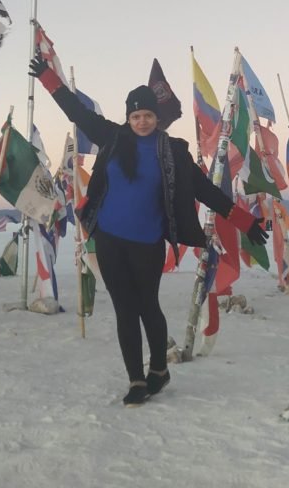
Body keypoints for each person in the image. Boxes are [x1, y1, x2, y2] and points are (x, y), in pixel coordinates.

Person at [30, 55, 269, 407]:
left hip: (148, 242)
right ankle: (137, 380)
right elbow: (77, 113)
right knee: (125, 310)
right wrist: (49, 79)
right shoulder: (112, 137)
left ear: (158, 119)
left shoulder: (172, 152)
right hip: (109, 239)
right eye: (136, 116)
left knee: (147, 308)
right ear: (128, 117)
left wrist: (244, 221)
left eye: (148, 116)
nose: (141, 122)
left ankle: (160, 368)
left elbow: (204, 190)